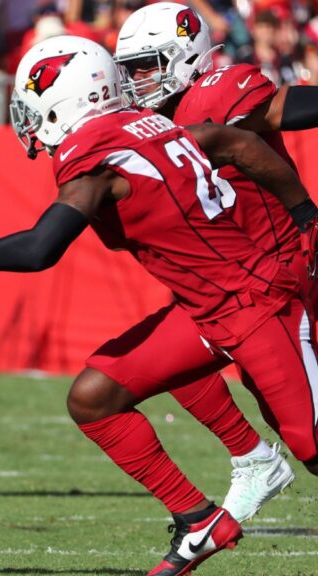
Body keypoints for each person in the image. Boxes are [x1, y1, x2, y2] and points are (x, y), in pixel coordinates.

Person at [0, 35, 318, 576]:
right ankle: (198, 518)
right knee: (94, 397)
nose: (29, 121)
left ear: (66, 99)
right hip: (206, 310)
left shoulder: (96, 156)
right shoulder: (144, 125)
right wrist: (303, 208)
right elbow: (232, 143)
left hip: (255, 304)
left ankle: (258, 463)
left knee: (311, 444)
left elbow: (37, 251)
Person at [113, 1, 318, 524]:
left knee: (310, 439)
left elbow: (282, 110)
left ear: (185, 56)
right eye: (130, 69)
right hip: (231, 290)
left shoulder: (219, 91)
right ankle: (252, 459)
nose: (136, 81)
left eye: (146, 65)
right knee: (155, 370)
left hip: (283, 280)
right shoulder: (144, 122)